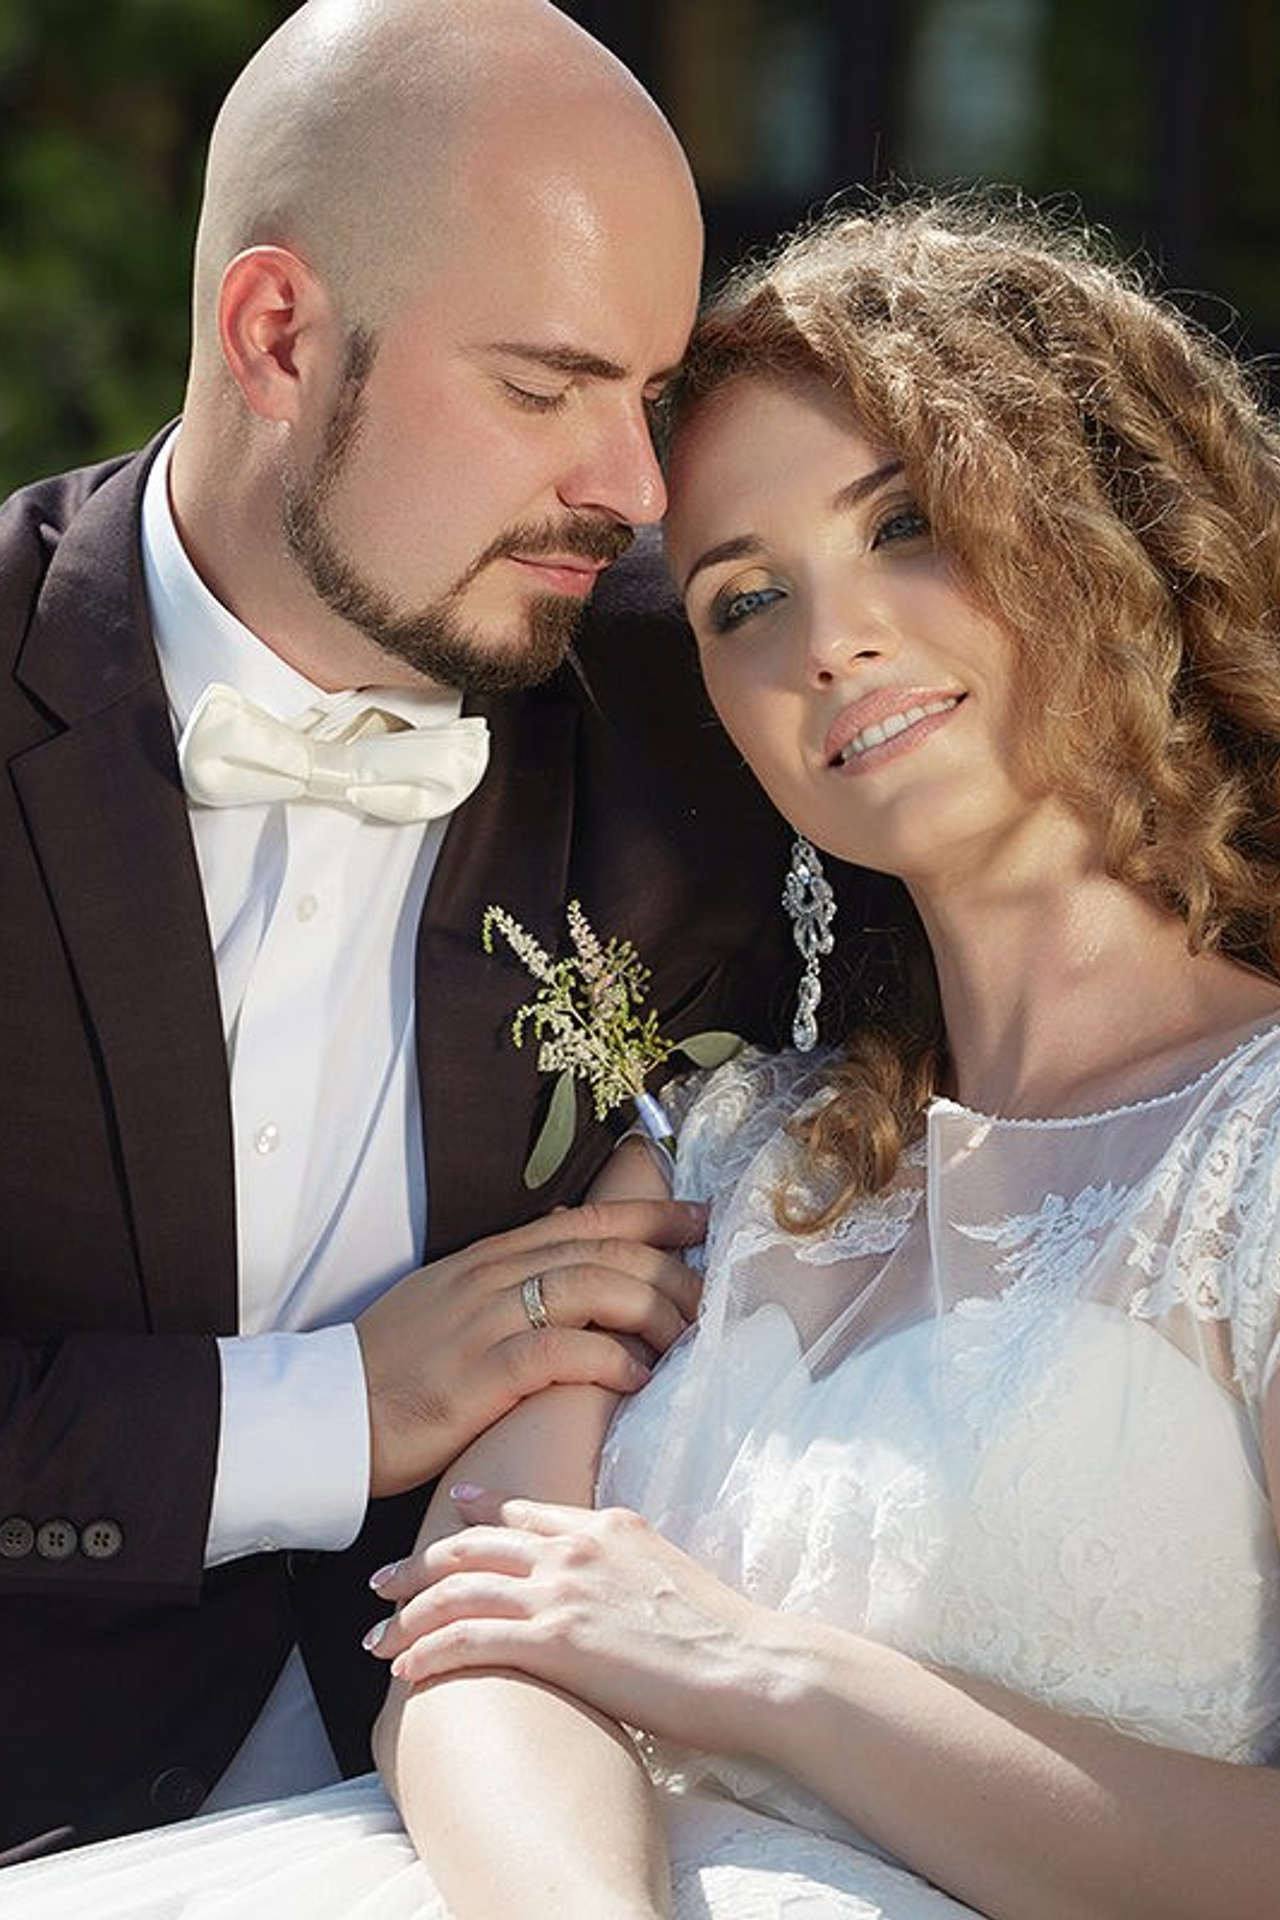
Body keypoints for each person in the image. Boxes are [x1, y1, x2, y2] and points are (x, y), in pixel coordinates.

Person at [15, 192, 1280, 1916]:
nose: (826, 643)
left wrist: (765, 1674)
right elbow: (473, 1645)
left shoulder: (1258, 1153)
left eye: (907, 522)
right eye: (742, 601)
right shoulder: (721, 1146)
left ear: (1107, 527)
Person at [0, 0, 878, 1863]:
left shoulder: (705, 683)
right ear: (278, 335)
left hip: (511, 1791)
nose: (633, 490)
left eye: (648, 399)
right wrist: (338, 1410)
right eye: (547, 387)